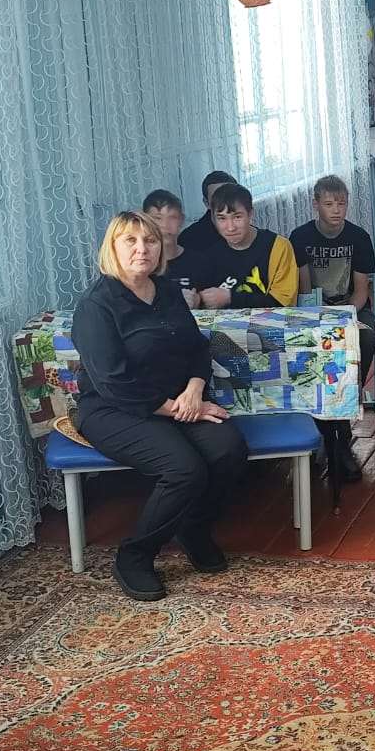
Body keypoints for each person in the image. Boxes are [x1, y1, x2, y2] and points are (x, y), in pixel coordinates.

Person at [71, 211, 248, 601]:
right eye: (130, 241)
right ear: (112, 248)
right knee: (183, 469)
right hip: (113, 409)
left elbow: (197, 347)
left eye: (149, 240)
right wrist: (181, 409)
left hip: (179, 399)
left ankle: (193, 529)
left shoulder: (165, 291)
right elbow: (113, 382)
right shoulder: (96, 306)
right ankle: (134, 556)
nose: (142, 249)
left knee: (229, 449)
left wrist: (195, 389)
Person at [289, 174, 375, 483]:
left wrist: (343, 318)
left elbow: (361, 291)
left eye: (341, 203)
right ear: (316, 205)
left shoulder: (359, 237)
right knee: (305, 347)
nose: (336, 210)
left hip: (350, 308)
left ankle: (344, 408)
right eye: (329, 204)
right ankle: (321, 426)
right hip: (313, 310)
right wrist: (320, 320)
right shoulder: (300, 237)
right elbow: (304, 290)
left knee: (366, 337)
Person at [199, 183, 298, 309]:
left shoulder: (278, 247)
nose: (230, 227)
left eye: (237, 217)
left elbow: (283, 303)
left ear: (250, 214)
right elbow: (203, 302)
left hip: (269, 320)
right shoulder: (209, 255)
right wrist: (195, 300)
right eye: (222, 218)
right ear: (213, 219)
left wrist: (230, 298)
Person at [143, 189, 212, 307]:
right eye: (158, 218)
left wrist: (199, 301)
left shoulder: (200, 263)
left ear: (182, 220)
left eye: (173, 217)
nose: (165, 225)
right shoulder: (141, 263)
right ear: (145, 221)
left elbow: (214, 305)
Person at [178, 169, 236, 249]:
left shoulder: (247, 228)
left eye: (228, 195)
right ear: (206, 203)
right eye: (216, 198)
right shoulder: (189, 239)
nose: (224, 202)